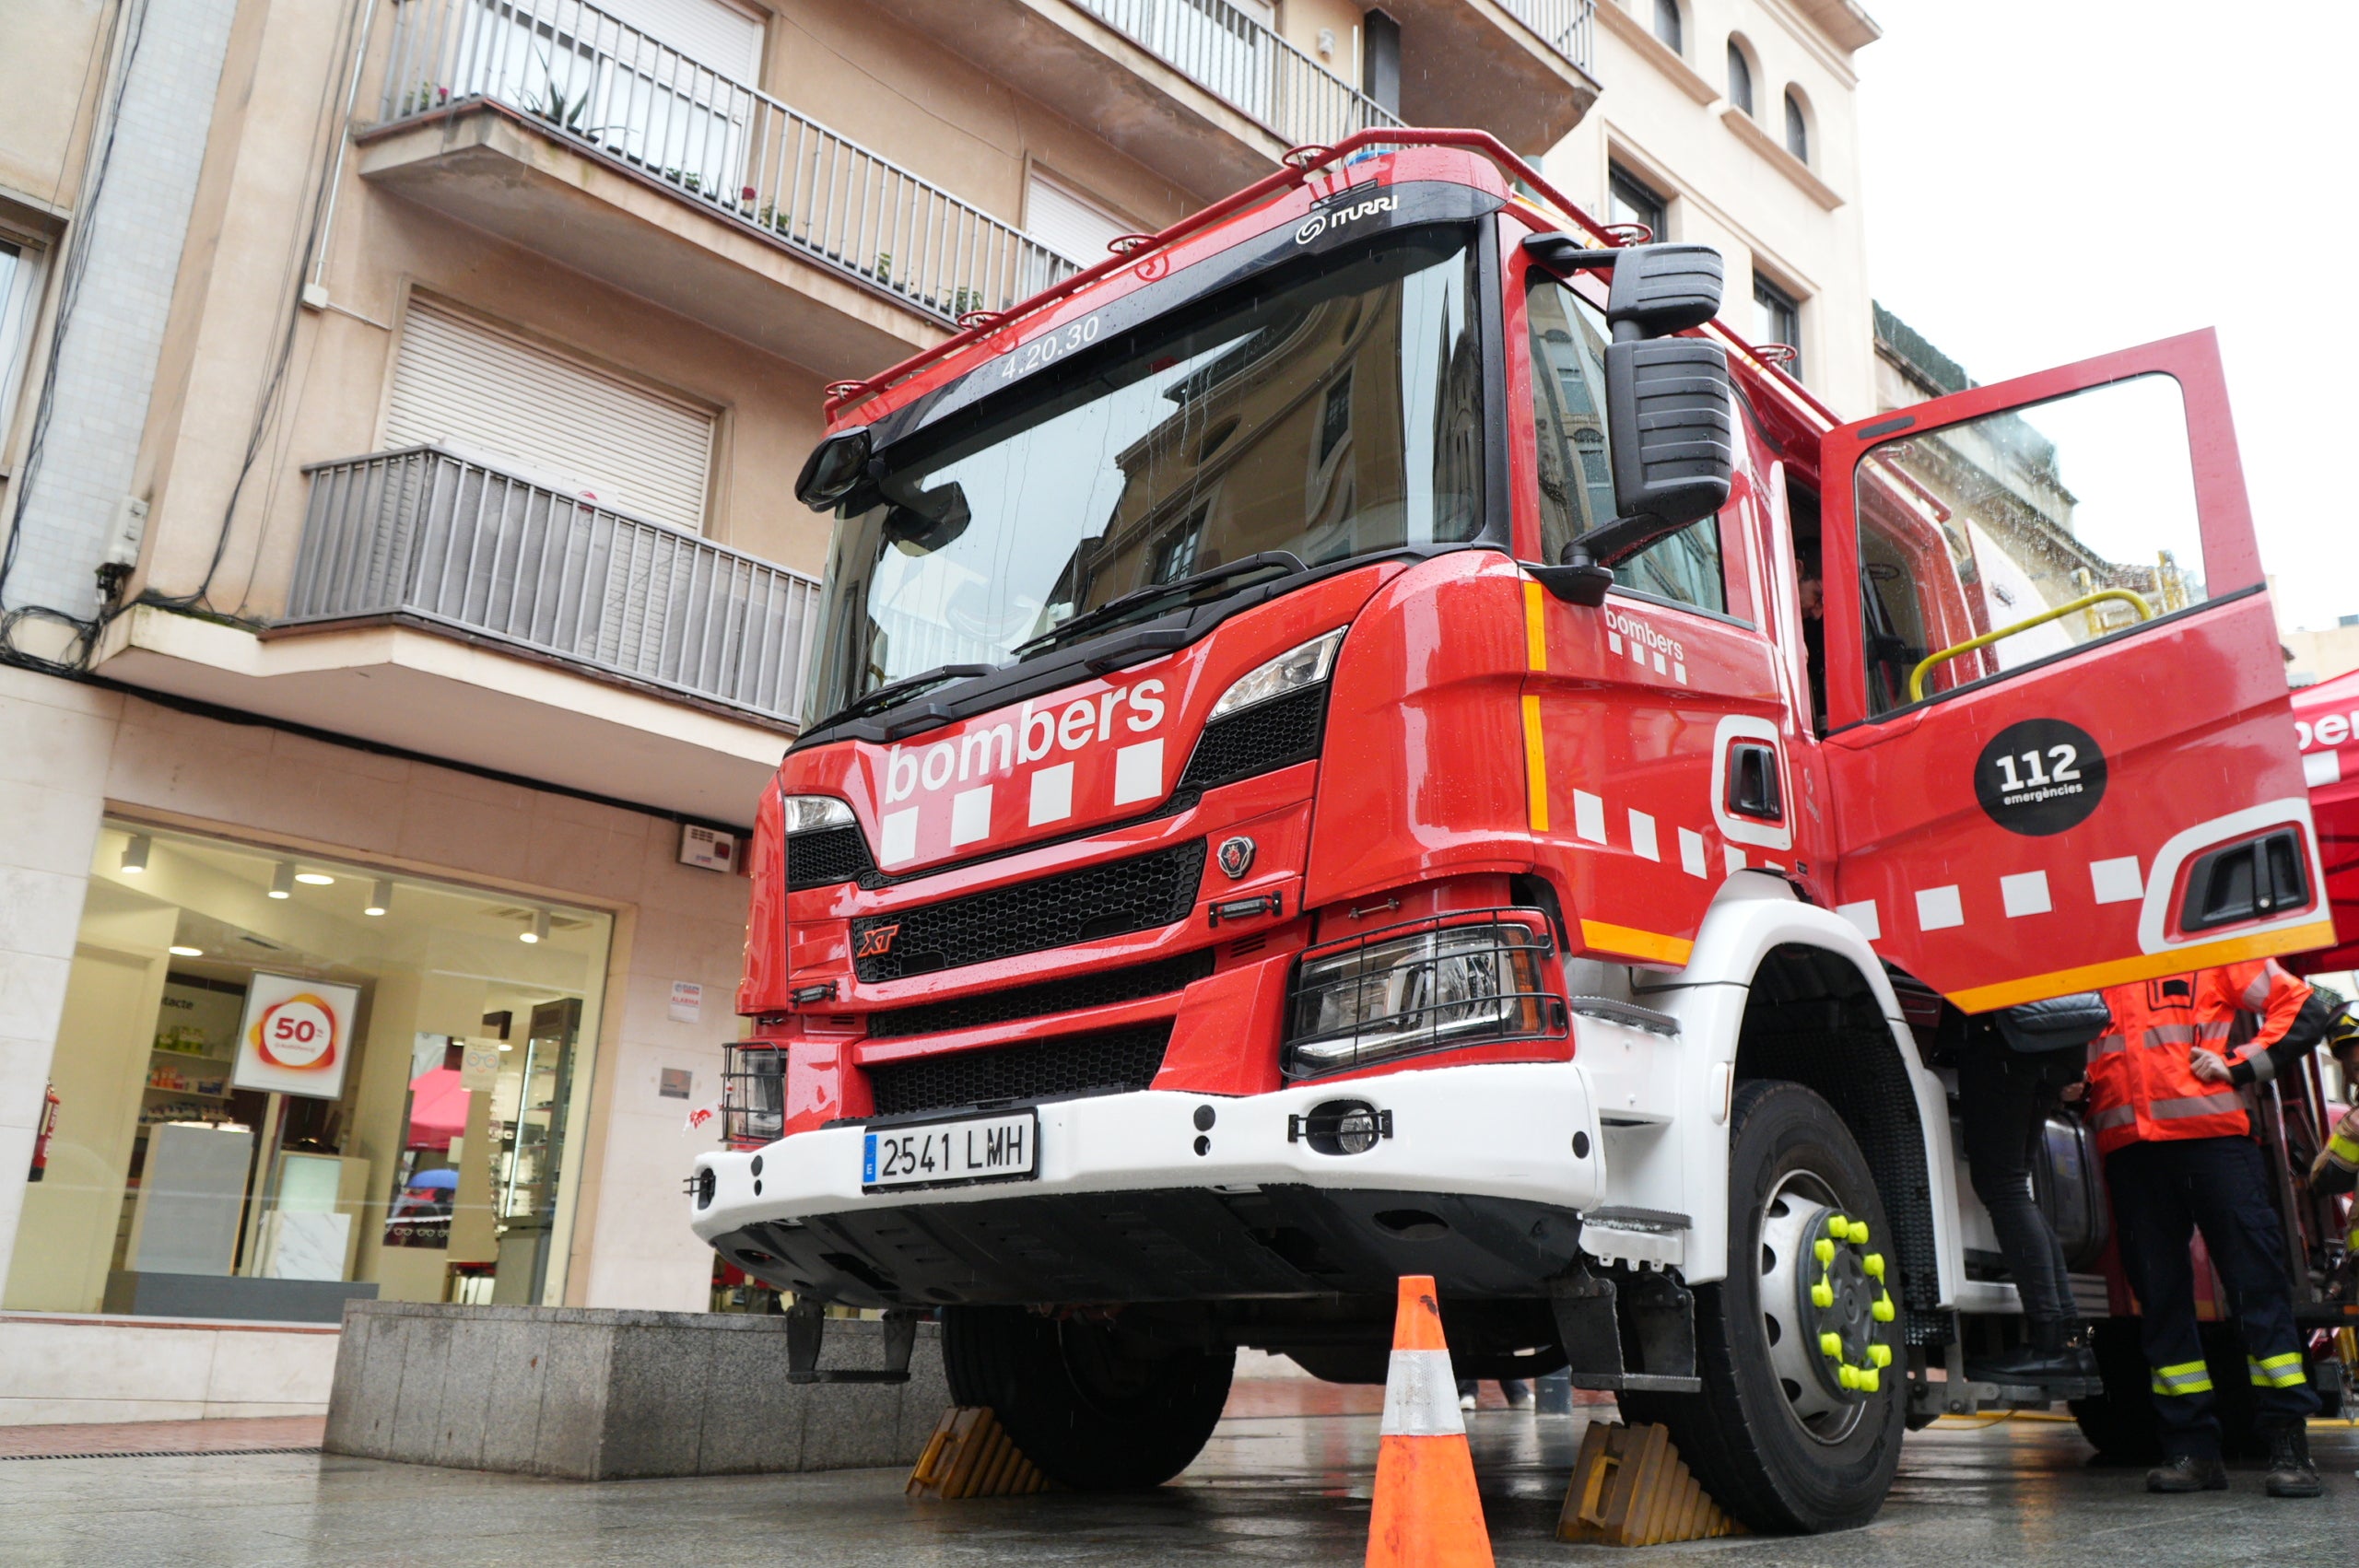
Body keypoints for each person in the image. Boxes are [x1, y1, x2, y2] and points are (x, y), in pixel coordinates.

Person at [2089, 961, 2335, 1497]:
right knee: (2160, 1302)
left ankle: (2290, 1447)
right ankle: (2191, 1452)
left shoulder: (2206, 950)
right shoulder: (2092, 964)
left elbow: (2307, 1005)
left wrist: (2241, 1065)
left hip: (2214, 1142)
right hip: (2131, 1152)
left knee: (2256, 1288)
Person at [1958, 992, 2108, 1386]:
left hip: (2007, 1036)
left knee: (2003, 1186)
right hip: (2054, 1039)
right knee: (2013, 1187)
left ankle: (2053, 1344)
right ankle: (2070, 1344)